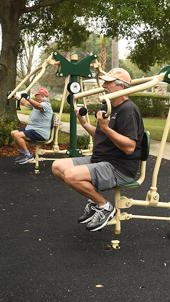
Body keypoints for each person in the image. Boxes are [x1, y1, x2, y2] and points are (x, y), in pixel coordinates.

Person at [52, 68, 144, 232]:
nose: (104, 85)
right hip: (101, 160)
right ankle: (95, 202)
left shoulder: (128, 110)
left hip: (119, 167)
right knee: (58, 166)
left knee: (72, 176)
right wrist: (84, 122)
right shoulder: (110, 106)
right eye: (105, 82)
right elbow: (102, 134)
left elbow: (130, 147)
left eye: (108, 82)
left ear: (121, 87)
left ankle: (105, 206)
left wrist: (106, 128)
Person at [11, 87, 53, 165]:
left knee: (17, 135)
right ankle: (23, 153)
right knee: (13, 133)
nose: (35, 96)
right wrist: (16, 97)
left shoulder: (46, 104)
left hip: (40, 133)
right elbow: (25, 102)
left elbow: (38, 106)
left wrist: (28, 98)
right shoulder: (36, 103)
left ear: (42, 96)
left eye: (37, 95)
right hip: (32, 130)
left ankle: (28, 155)